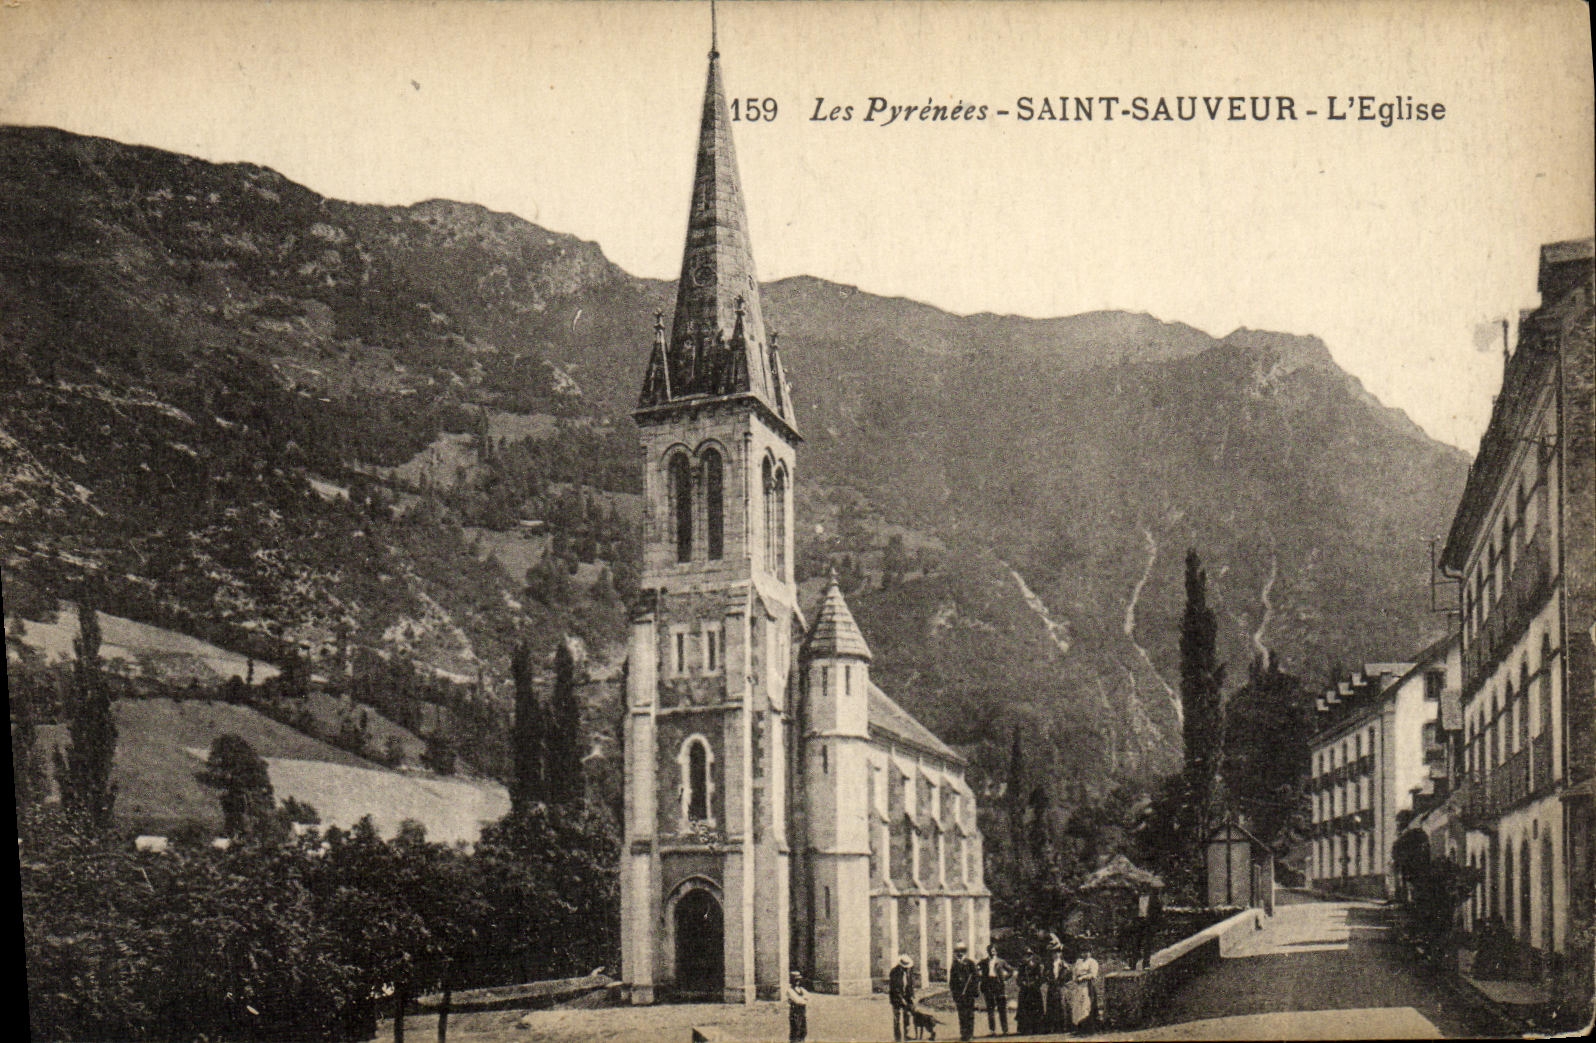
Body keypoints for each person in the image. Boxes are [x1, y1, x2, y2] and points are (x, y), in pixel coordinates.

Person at [978, 942, 1012, 1036]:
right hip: (988, 985)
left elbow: (1011, 971)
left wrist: (1004, 979)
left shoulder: (1001, 961)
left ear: (996, 952)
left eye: (994, 951)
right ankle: (992, 1030)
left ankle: (1005, 1030)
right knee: (990, 1009)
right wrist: (981, 978)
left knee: (1002, 1009)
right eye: (991, 951)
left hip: (999, 986)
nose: (992, 952)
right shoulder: (984, 962)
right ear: (988, 951)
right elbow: (976, 969)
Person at [949, 942, 980, 1042]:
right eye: (958, 951)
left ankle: (970, 1034)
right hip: (959, 994)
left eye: (962, 951)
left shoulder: (970, 963)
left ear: (964, 952)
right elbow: (952, 981)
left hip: (969, 993)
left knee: (969, 1014)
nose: (960, 953)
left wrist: (974, 991)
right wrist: (954, 993)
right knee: (961, 1015)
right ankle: (963, 1034)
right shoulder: (954, 964)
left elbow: (975, 978)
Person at [1068, 947, 1100, 1033]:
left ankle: (1088, 1027)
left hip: (1087, 985)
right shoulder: (1079, 962)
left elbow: (1093, 974)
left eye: (1087, 952)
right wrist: (1075, 978)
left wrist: (1083, 977)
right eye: (1083, 952)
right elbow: (1074, 972)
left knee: (1087, 1005)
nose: (1085, 954)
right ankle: (1079, 1027)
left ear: (1090, 952)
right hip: (1079, 986)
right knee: (1078, 1006)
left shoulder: (1093, 962)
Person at [1015, 947, 1045, 1037]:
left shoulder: (1036, 964)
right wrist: (1022, 982)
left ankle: (1036, 1028)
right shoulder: (1021, 965)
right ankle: (1025, 1029)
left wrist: (1035, 983)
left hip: (1034, 989)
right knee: (1024, 1009)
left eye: (1029, 955)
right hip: (1025, 989)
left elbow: (1040, 977)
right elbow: (1018, 978)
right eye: (1026, 955)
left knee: (1035, 1008)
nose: (1027, 957)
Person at [1044, 936, 1070, 1034]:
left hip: (1060, 986)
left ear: (1060, 953)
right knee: (1051, 1006)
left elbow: (1068, 974)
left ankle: (1063, 1026)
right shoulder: (1049, 964)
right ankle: (1052, 1027)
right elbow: (1045, 974)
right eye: (1053, 953)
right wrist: (1049, 980)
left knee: (1062, 1005)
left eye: (1057, 952)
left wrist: (1061, 980)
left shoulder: (1063, 964)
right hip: (1052, 986)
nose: (1055, 954)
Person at [889, 954, 917, 1042]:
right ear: (900, 965)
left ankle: (906, 1035)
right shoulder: (894, 972)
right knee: (897, 1018)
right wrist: (901, 999)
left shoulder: (908, 971)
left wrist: (912, 996)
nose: (906, 969)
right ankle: (897, 1038)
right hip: (896, 998)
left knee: (907, 1016)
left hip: (906, 997)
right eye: (904, 967)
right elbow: (895, 988)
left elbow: (910, 984)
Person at [787, 971, 809, 1042]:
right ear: (792, 981)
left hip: (802, 1012)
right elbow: (798, 1001)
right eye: (795, 980)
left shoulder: (801, 989)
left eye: (798, 980)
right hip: (795, 1013)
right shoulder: (790, 990)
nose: (797, 981)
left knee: (803, 1031)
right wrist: (803, 999)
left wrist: (803, 999)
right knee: (796, 1031)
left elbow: (808, 996)